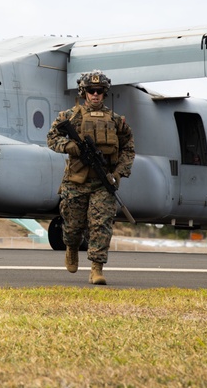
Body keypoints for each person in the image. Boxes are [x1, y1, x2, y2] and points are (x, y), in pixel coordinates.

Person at [47, 69, 135, 285]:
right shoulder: (69, 117)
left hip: (102, 182)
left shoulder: (116, 121)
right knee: (72, 226)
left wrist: (117, 172)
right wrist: (71, 146)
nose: (95, 95)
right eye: (90, 91)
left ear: (104, 93)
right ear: (83, 92)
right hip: (75, 181)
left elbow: (128, 148)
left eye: (99, 91)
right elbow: (52, 138)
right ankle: (71, 248)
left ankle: (96, 268)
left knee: (101, 224)